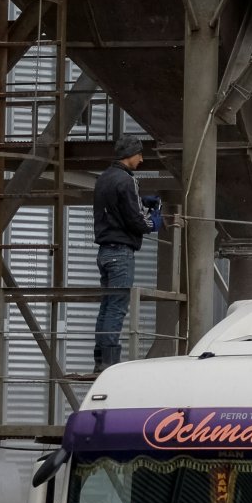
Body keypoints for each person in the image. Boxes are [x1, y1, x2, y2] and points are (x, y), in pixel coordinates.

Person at [91, 136, 161, 372]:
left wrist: (140, 202)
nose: (141, 159)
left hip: (104, 252)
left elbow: (117, 208)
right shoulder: (127, 180)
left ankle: (100, 360)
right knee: (117, 307)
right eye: (139, 154)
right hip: (121, 252)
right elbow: (134, 220)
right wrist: (153, 222)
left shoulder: (104, 178)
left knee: (107, 305)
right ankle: (110, 363)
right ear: (130, 153)